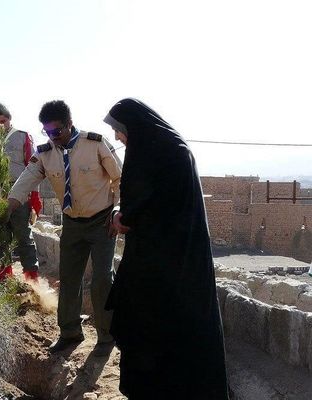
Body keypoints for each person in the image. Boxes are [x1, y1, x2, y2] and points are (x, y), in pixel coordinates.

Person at [104, 98, 228, 399]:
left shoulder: (153, 153)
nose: (118, 137)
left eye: (120, 131)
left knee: (151, 329)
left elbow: (141, 204)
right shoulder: (173, 149)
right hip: (179, 260)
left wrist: (122, 217)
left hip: (157, 264)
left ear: (134, 125)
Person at [8, 100, 121, 357]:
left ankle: (106, 337)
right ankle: (70, 333)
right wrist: (10, 203)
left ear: (69, 125)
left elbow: (119, 178)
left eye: (56, 131)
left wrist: (117, 210)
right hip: (72, 223)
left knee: (102, 279)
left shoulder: (95, 143)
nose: (51, 137)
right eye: (46, 132)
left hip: (102, 221)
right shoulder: (46, 153)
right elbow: (28, 177)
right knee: (69, 278)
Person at [0, 102, 41, 280]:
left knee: (23, 236)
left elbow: (34, 168)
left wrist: (35, 196)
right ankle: (5, 278)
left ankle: (32, 280)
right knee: (1, 237)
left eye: (3, 121)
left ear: (10, 118)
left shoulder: (23, 136)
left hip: (19, 192)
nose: (0, 125)